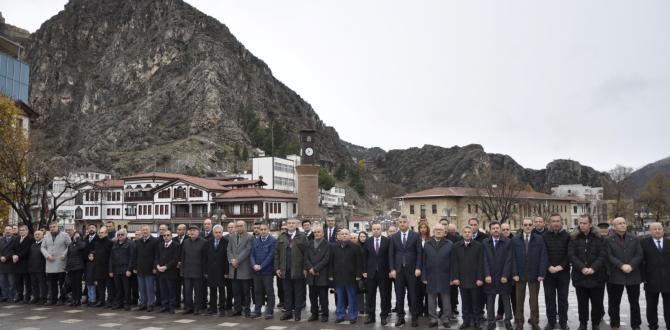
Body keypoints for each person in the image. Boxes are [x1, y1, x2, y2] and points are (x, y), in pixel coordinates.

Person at [568, 214, 607, 330]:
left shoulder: (599, 238)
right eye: (580, 223)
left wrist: (593, 268)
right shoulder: (574, 238)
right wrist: (582, 268)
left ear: (590, 224)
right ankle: (583, 323)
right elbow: (571, 255)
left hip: (597, 276)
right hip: (580, 277)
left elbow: (603, 255)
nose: (582, 225)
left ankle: (595, 323)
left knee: (597, 303)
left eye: (584, 223)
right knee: (582, 303)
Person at [606, 217, 643, 330]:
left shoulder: (635, 238)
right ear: (614, 226)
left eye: (624, 223)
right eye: (619, 223)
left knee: (634, 302)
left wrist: (631, 265)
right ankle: (615, 324)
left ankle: (636, 325)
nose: (622, 225)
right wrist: (621, 265)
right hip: (616, 275)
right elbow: (609, 256)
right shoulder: (608, 240)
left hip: (633, 274)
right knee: (614, 302)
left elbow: (639, 254)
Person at [512, 218, 548, 330]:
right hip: (520, 275)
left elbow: (543, 256)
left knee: (534, 300)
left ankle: (534, 321)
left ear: (532, 226)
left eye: (530, 225)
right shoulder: (515, 240)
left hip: (534, 275)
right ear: (522, 226)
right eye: (525, 224)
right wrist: (514, 273)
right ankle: (519, 321)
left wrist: (541, 273)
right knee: (519, 300)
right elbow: (512, 258)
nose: (527, 226)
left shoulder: (539, 239)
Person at [389, 215, 422, 327]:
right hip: (398, 271)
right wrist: (392, 269)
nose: (402, 224)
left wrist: (418, 267)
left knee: (413, 295)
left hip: (412, 271)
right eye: (400, 222)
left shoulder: (416, 236)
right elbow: (391, 254)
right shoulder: (394, 237)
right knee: (399, 295)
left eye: (404, 222)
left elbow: (419, 253)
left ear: (408, 223)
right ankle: (401, 317)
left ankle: (414, 318)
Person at [421, 223, 454, 328]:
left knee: (446, 299)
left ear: (444, 232)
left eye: (441, 230)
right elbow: (423, 262)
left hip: (445, 275)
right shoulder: (427, 244)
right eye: (437, 230)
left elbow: (453, 262)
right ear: (433, 231)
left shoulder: (449, 244)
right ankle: (433, 319)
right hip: (431, 275)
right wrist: (424, 276)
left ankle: (446, 319)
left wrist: (452, 277)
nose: (439, 231)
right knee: (431, 299)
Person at [275, 218, 308, 321]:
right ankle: (288, 312)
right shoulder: (281, 237)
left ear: (297, 225)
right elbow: (277, 254)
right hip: (285, 270)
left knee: (298, 293)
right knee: (287, 292)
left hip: (298, 270)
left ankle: (297, 314)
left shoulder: (302, 237)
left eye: (293, 223)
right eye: (289, 223)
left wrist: (305, 268)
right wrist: (277, 268)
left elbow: (306, 254)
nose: (291, 225)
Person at [542, 213, 571, 330]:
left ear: (561, 222)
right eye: (553, 221)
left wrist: (560, 266)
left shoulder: (567, 236)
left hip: (563, 273)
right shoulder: (544, 236)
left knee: (563, 298)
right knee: (549, 298)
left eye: (557, 221)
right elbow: (543, 254)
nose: (555, 223)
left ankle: (563, 322)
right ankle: (551, 322)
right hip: (548, 273)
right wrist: (549, 266)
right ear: (550, 223)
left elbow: (569, 254)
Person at [482, 221, 513, 330]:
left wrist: (505, 275)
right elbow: (484, 260)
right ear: (490, 230)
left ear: (500, 229)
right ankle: (491, 321)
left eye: (497, 228)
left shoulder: (508, 242)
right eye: (493, 228)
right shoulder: (485, 242)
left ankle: (508, 320)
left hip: (503, 276)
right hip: (490, 277)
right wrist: (486, 274)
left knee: (505, 298)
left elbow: (509, 260)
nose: (495, 230)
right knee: (490, 299)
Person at [452, 226, 485, 330]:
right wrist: (455, 277)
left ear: (472, 233)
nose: (467, 234)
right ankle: (466, 321)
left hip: (475, 280)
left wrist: (480, 278)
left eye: (469, 232)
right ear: (462, 233)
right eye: (465, 232)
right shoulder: (456, 246)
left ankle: (477, 322)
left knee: (476, 302)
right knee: (465, 302)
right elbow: (454, 263)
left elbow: (481, 263)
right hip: (462, 280)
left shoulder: (478, 246)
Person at [329, 229, 362, 324]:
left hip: (351, 277)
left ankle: (353, 316)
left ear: (349, 235)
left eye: (346, 234)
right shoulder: (334, 247)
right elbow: (331, 262)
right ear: (339, 236)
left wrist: (358, 275)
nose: (344, 235)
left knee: (352, 297)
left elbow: (359, 263)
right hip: (338, 277)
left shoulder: (355, 247)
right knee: (340, 298)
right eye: (342, 234)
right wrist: (330, 274)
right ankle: (340, 315)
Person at [641, 222, 670, 330]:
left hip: (668, 280)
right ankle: (653, 326)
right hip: (651, 280)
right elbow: (641, 261)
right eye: (654, 229)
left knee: (669, 306)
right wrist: (643, 278)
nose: (657, 231)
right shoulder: (643, 243)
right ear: (650, 231)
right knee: (651, 306)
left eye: (659, 228)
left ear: (663, 230)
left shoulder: (669, 242)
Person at [362, 222, 392, 325]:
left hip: (384, 273)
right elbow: (364, 258)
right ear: (371, 230)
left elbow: (390, 257)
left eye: (378, 229)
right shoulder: (367, 241)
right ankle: (371, 316)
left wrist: (390, 270)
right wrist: (364, 271)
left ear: (381, 229)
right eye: (374, 229)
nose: (376, 230)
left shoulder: (387, 241)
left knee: (384, 296)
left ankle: (383, 316)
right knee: (370, 296)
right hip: (371, 273)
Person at [227, 221, 253, 317]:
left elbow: (247, 250)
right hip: (233, 269)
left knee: (246, 292)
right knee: (236, 291)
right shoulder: (232, 236)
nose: (239, 228)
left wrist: (237, 260)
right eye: (237, 226)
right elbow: (228, 250)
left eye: (241, 226)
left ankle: (247, 310)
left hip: (244, 268)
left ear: (245, 227)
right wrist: (231, 260)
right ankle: (237, 310)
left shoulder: (250, 237)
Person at [41, 222, 71, 305]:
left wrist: (64, 255)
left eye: (54, 226)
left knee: (61, 283)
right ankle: (53, 299)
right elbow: (42, 247)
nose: (52, 228)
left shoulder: (65, 235)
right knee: (51, 283)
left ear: (58, 227)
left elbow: (70, 246)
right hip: (50, 262)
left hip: (61, 262)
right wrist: (47, 256)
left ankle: (62, 299)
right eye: (50, 227)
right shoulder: (46, 236)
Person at [305, 225, 331, 322]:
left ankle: (325, 314)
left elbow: (326, 259)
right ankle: (314, 314)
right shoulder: (309, 243)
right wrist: (310, 268)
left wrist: (315, 269)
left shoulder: (327, 244)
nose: (317, 234)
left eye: (319, 232)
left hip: (322, 275)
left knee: (323, 297)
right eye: (315, 232)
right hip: (311, 275)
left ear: (323, 233)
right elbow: (306, 258)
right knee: (312, 296)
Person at [250, 222, 276, 320]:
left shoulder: (273, 241)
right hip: (256, 271)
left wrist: (261, 266)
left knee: (269, 292)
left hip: (267, 272)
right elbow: (251, 255)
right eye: (261, 230)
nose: (263, 231)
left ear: (268, 230)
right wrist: (254, 265)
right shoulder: (255, 241)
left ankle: (269, 311)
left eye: (265, 229)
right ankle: (257, 310)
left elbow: (271, 256)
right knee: (257, 291)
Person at [181, 226, 207, 315]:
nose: (192, 232)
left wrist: (204, 272)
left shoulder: (203, 242)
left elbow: (205, 259)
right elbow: (183, 257)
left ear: (198, 232)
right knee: (187, 291)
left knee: (198, 292)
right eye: (191, 231)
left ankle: (197, 308)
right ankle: (189, 307)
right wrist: (182, 271)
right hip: (187, 271)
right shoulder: (185, 242)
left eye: (194, 230)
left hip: (198, 272)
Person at [205, 224, 229, 317]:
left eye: (219, 232)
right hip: (211, 271)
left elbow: (227, 259)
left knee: (222, 291)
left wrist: (227, 272)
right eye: (216, 232)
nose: (218, 234)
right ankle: (213, 309)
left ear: (222, 233)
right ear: (213, 233)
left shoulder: (226, 242)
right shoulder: (208, 242)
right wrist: (205, 271)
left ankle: (222, 309)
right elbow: (205, 258)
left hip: (222, 271)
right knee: (212, 290)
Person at [134, 225, 158, 312]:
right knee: (142, 288)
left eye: (146, 230)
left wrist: (155, 267)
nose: (145, 231)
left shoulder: (154, 241)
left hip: (150, 269)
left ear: (150, 231)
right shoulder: (138, 241)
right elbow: (135, 255)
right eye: (143, 230)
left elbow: (156, 255)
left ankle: (150, 304)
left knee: (150, 288)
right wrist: (135, 267)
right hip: (140, 268)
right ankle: (143, 303)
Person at [109, 229, 134, 310]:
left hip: (125, 269)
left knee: (126, 288)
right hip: (116, 270)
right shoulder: (115, 244)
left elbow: (131, 258)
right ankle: (119, 303)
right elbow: (111, 258)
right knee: (118, 288)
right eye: (118, 235)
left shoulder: (130, 243)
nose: (120, 236)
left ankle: (127, 303)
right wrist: (111, 270)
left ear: (126, 235)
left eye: (122, 234)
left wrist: (129, 269)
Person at [156, 229, 180, 314]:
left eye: (168, 235)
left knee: (171, 290)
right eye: (164, 235)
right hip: (161, 272)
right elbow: (157, 257)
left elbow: (175, 259)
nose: (166, 237)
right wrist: (158, 266)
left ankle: (171, 307)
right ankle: (164, 306)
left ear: (171, 236)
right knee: (163, 290)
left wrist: (166, 267)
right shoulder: (160, 245)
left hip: (171, 272)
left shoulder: (176, 245)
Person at [499, 223, 516, 319]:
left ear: (510, 230)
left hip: (513, 273)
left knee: (514, 295)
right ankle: (500, 313)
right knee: (502, 295)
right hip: (502, 272)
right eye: (503, 229)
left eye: (507, 229)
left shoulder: (515, 240)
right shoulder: (498, 241)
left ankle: (515, 314)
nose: (505, 231)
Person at [92, 226, 113, 307]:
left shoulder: (110, 243)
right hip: (98, 267)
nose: (100, 234)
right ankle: (101, 300)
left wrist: (110, 268)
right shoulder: (97, 242)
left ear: (106, 233)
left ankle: (110, 301)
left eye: (102, 232)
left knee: (109, 286)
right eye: (99, 232)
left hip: (107, 267)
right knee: (100, 286)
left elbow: (111, 256)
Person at [12, 225, 34, 303]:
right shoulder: (17, 238)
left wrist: (18, 256)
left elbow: (27, 250)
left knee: (27, 281)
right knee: (18, 281)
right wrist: (14, 255)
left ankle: (27, 296)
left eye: (23, 230)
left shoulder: (30, 239)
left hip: (25, 263)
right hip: (17, 263)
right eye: (20, 230)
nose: (22, 231)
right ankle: (19, 295)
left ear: (27, 231)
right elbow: (13, 248)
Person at [65, 230, 86, 306]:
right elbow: (68, 256)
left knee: (78, 284)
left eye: (77, 236)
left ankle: (78, 299)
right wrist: (67, 267)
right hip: (71, 267)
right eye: (74, 236)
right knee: (72, 284)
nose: (75, 237)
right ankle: (74, 299)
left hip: (78, 267)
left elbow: (81, 247)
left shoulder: (81, 243)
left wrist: (78, 239)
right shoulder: (70, 245)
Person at [446, 222, 463, 319]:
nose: (452, 232)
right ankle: (448, 309)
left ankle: (454, 306)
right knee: (447, 291)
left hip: (456, 266)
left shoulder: (458, 238)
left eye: (453, 231)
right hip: (446, 267)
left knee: (454, 290)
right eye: (450, 231)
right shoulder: (446, 238)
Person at [28, 230, 47, 304]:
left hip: (41, 268)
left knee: (42, 284)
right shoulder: (32, 245)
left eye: (39, 234)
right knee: (34, 284)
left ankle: (43, 298)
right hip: (32, 268)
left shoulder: (44, 245)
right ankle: (36, 297)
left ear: (42, 235)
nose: (37, 236)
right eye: (35, 234)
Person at [0, 225, 17, 302]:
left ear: (12, 231)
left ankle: (11, 296)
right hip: (2, 263)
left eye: (9, 229)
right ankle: (4, 296)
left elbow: (14, 250)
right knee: (2, 282)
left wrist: (6, 257)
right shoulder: (1, 239)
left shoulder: (16, 239)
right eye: (6, 229)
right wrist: (0, 257)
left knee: (11, 282)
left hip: (10, 263)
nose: (8, 231)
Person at [417, 222, 430, 318]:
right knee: (419, 291)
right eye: (421, 227)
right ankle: (419, 309)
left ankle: (428, 310)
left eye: (424, 227)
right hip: (418, 267)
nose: (423, 229)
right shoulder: (416, 238)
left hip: (428, 267)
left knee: (427, 291)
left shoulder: (430, 239)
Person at [172, 224, 187, 309]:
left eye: (181, 229)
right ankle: (176, 302)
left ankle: (186, 303)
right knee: (176, 286)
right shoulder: (174, 239)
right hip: (175, 267)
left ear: (185, 230)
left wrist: (181, 261)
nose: (179, 231)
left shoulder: (188, 239)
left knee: (186, 287)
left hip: (185, 267)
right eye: (178, 229)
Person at [355, 231, 369, 316]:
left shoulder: (369, 245)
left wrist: (366, 271)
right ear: (359, 237)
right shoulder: (356, 247)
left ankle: (367, 307)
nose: (363, 238)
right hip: (359, 272)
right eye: (361, 236)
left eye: (364, 236)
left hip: (368, 272)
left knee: (368, 291)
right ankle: (360, 308)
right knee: (360, 291)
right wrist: (360, 272)